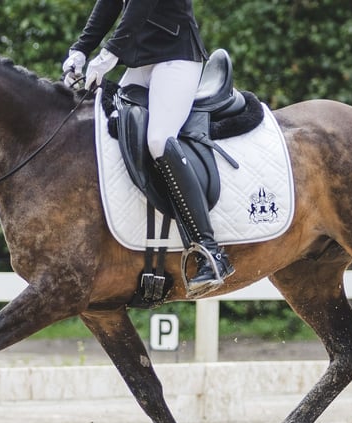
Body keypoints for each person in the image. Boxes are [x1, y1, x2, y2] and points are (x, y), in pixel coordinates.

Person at [62, 0, 234, 294]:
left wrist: (107, 57)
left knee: (158, 138)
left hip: (177, 57)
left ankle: (210, 250)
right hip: (143, 62)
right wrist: (79, 49)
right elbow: (110, 4)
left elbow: (138, 8)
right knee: (107, 125)